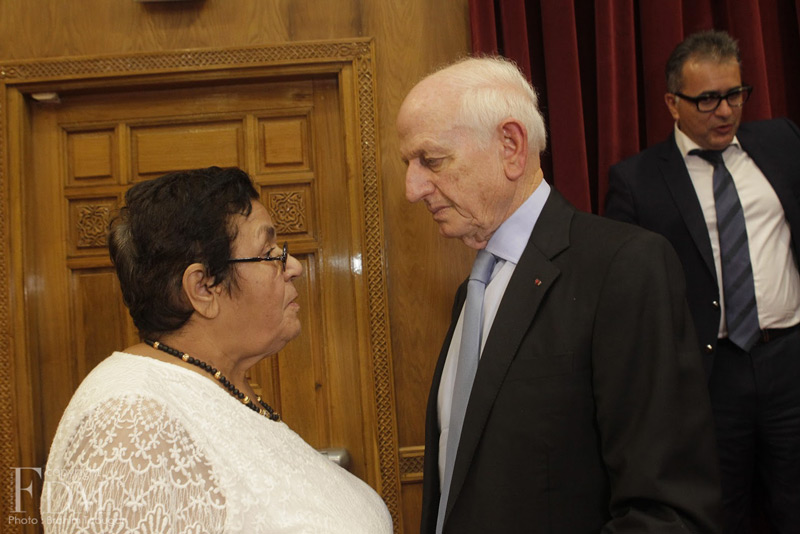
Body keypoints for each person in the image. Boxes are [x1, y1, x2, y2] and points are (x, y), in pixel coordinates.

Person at [397, 56, 722, 533]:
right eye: (408, 164)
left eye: (431, 160)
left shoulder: (623, 268)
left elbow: (667, 511)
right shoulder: (473, 293)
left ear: (511, 146)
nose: (412, 188)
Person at [40, 167, 392, 533]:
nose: (294, 266)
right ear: (204, 288)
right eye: (268, 253)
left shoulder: (218, 386)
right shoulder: (128, 426)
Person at [605, 29, 800, 534]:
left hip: (790, 360)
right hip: (711, 377)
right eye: (708, 99)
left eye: (735, 94)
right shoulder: (637, 181)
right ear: (673, 103)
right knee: (720, 513)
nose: (726, 111)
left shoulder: (783, 142)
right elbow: (624, 294)